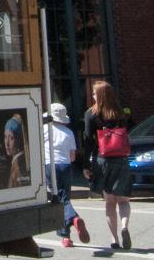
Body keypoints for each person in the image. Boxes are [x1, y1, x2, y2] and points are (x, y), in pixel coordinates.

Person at [83, 81, 133, 250]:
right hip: (121, 159)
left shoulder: (91, 113)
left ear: (100, 95)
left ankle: (114, 239)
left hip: (102, 160)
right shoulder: (120, 113)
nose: (93, 96)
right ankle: (125, 226)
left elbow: (88, 141)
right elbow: (128, 130)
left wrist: (85, 165)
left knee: (110, 202)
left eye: (95, 93)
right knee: (123, 200)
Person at [43, 103, 90, 248]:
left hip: (50, 165)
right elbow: (72, 156)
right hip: (65, 166)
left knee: (58, 199)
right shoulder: (68, 133)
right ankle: (65, 236)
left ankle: (73, 219)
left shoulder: (44, 130)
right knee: (64, 197)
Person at [4, 113, 29, 188]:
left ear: (18, 140)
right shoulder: (17, 161)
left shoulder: (18, 165)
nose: (7, 143)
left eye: (11, 138)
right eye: (5, 137)